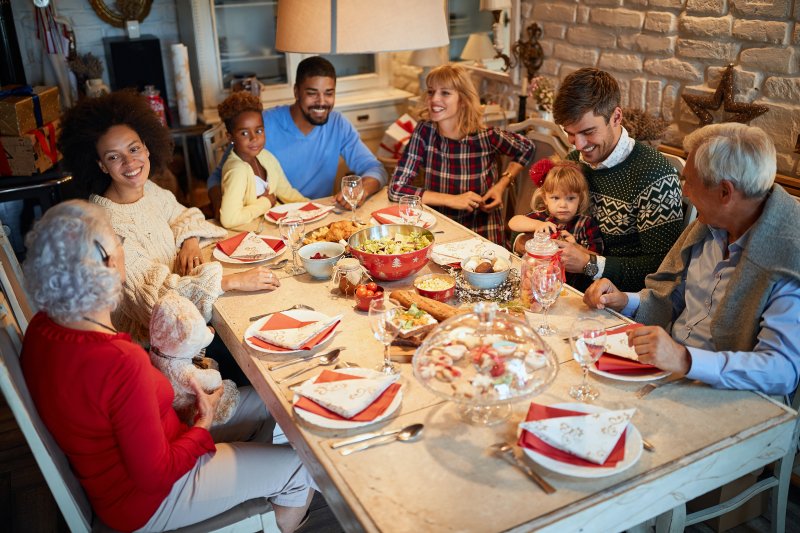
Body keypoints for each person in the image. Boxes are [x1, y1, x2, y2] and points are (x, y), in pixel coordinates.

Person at [20, 200, 315, 532]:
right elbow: (156, 473)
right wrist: (203, 422)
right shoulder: (118, 359)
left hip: (138, 458)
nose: (122, 246)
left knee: (277, 400)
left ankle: (255, 480)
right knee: (305, 467)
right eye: (118, 239)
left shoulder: (43, 328)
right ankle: (271, 496)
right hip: (148, 498)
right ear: (108, 264)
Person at [584, 123, 800, 397]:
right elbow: (674, 298)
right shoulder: (710, 227)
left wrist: (684, 359)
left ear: (725, 192)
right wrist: (626, 301)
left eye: (689, 181)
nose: (684, 192)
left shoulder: (789, 257)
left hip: (723, 395)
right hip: (666, 373)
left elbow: (782, 371)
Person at [58, 91, 281, 345]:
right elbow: (157, 301)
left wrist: (189, 241)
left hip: (191, 316)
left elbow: (184, 215)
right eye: (114, 156)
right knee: (262, 330)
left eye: (133, 149)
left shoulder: (149, 191)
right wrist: (231, 281)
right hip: (159, 343)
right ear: (100, 165)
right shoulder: (107, 225)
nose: (130, 162)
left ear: (146, 147)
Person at [550, 68, 684, 292]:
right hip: (570, 290)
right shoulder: (574, 161)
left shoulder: (654, 174)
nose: (578, 145)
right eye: (570, 133)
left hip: (623, 304)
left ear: (616, 117)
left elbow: (663, 269)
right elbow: (544, 214)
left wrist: (590, 265)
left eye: (588, 132)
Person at [208, 56, 387, 212]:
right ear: (296, 92)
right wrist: (220, 207)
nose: (322, 102)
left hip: (316, 213)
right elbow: (218, 177)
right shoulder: (262, 125)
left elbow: (375, 169)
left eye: (329, 93)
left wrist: (362, 189)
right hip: (270, 218)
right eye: (312, 94)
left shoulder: (338, 124)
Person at [388, 64, 534, 244]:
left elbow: (527, 148)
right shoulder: (424, 131)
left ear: (463, 100)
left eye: (445, 93)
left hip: (482, 233)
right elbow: (396, 189)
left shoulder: (486, 136)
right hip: (438, 230)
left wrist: (502, 184)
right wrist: (453, 200)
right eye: (431, 92)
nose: (434, 99)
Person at [217, 91, 307, 229]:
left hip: (273, 229)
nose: (254, 138)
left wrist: (313, 207)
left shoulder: (266, 156)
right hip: (251, 236)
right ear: (230, 137)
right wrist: (266, 202)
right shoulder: (237, 170)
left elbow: (287, 192)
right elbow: (229, 219)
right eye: (244, 133)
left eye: (258, 131)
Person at [509, 158, 603, 287]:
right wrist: (537, 225)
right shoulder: (541, 217)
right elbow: (513, 222)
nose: (563, 205)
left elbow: (597, 257)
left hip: (572, 288)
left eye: (570, 198)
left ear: (580, 199)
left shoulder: (585, 224)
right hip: (538, 282)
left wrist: (577, 248)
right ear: (545, 198)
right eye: (555, 198)